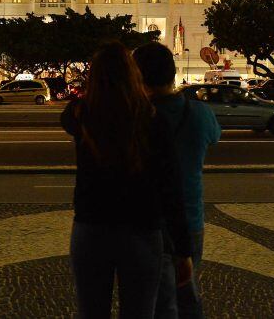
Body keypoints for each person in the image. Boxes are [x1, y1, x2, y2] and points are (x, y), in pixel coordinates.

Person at [62, 42, 193, 318]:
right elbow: (171, 189)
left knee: (91, 312)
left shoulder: (82, 116)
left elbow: (68, 115)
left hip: (91, 228)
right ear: (134, 75)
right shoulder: (153, 120)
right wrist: (183, 249)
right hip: (141, 230)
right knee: (140, 312)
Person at [133, 42, 221, 319]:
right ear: (172, 74)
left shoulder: (135, 117)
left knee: (150, 298)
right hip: (189, 216)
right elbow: (214, 137)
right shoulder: (200, 114)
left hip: (145, 219)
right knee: (186, 292)